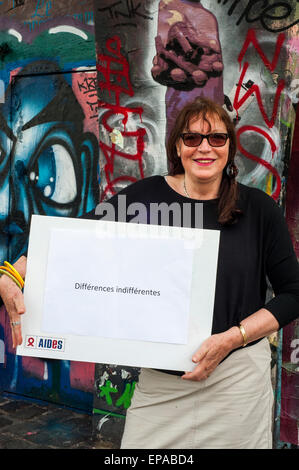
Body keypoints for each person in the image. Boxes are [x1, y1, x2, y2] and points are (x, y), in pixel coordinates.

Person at [1, 97, 299, 449]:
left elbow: (292, 294)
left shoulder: (258, 209)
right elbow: (74, 240)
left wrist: (232, 338)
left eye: (217, 138)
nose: (204, 148)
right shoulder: (146, 198)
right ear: (177, 146)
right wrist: (14, 273)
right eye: (192, 138)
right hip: (163, 381)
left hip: (235, 378)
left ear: (230, 148)